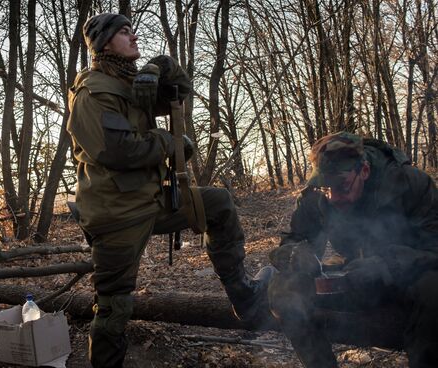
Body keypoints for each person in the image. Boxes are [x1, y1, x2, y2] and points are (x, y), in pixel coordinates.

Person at [67, 13, 274, 368]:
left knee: (219, 205)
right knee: (114, 304)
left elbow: (181, 91)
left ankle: (246, 301)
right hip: (116, 212)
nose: (133, 37)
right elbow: (117, 151)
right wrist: (168, 141)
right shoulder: (92, 92)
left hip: (150, 200)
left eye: (133, 30)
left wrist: (159, 65)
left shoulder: (131, 83)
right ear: (103, 43)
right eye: (123, 32)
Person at [267, 131, 438, 368]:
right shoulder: (316, 197)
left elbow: (433, 246)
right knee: (284, 288)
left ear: (364, 171)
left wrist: (385, 264)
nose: (333, 197)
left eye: (342, 187)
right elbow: (292, 240)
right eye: (326, 188)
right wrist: (293, 254)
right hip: (354, 278)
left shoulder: (409, 183)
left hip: (406, 277)